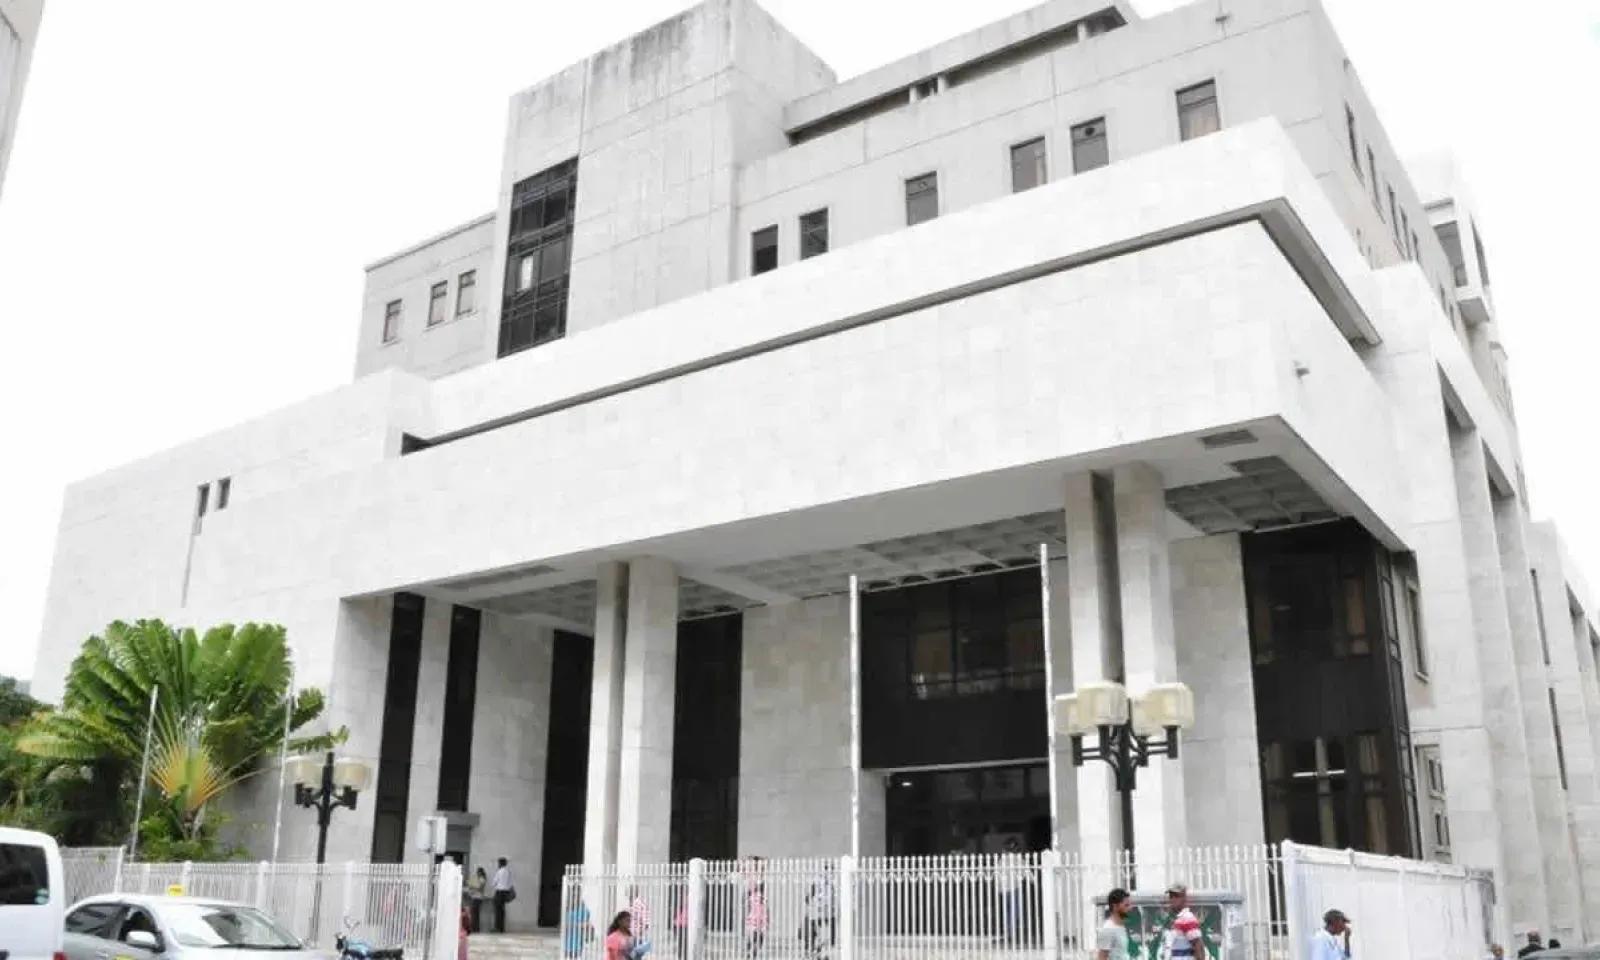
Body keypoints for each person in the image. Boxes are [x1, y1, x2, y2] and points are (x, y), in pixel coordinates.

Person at [1163, 884, 1209, 960]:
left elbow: (1199, 947)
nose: (1172, 899)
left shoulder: (1187, 918)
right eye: (1171, 896)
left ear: (1184, 898)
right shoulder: (1179, 918)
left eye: (1176, 896)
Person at [1096, 888, 1132, 960]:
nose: (1130, 908)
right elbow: (1102, 957)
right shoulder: (1108, 929)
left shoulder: (1121, 927)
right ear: (1115, 907)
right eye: (1126, 905)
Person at [492, 857, 516, 934]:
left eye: (498, 863)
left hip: (499, 892)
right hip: (505, 892)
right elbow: (511, 883)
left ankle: (497, 928)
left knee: (497, 910)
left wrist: (495, 886)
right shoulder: (508, 872)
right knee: (502, 911)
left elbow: (494, 882)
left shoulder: (499, 871)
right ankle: (502, 928)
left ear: (500, 863)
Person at [466, 867, 488, 932]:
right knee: (474, 913)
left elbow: (480, 888)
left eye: (478, 872)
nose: (477, 873)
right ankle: (475, 928)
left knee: (475, 914)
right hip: (475, 897)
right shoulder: (477, 879)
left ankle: (475, 928)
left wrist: (472, 886)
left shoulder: (482, 879)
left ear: (480, 872)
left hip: (478, 897)